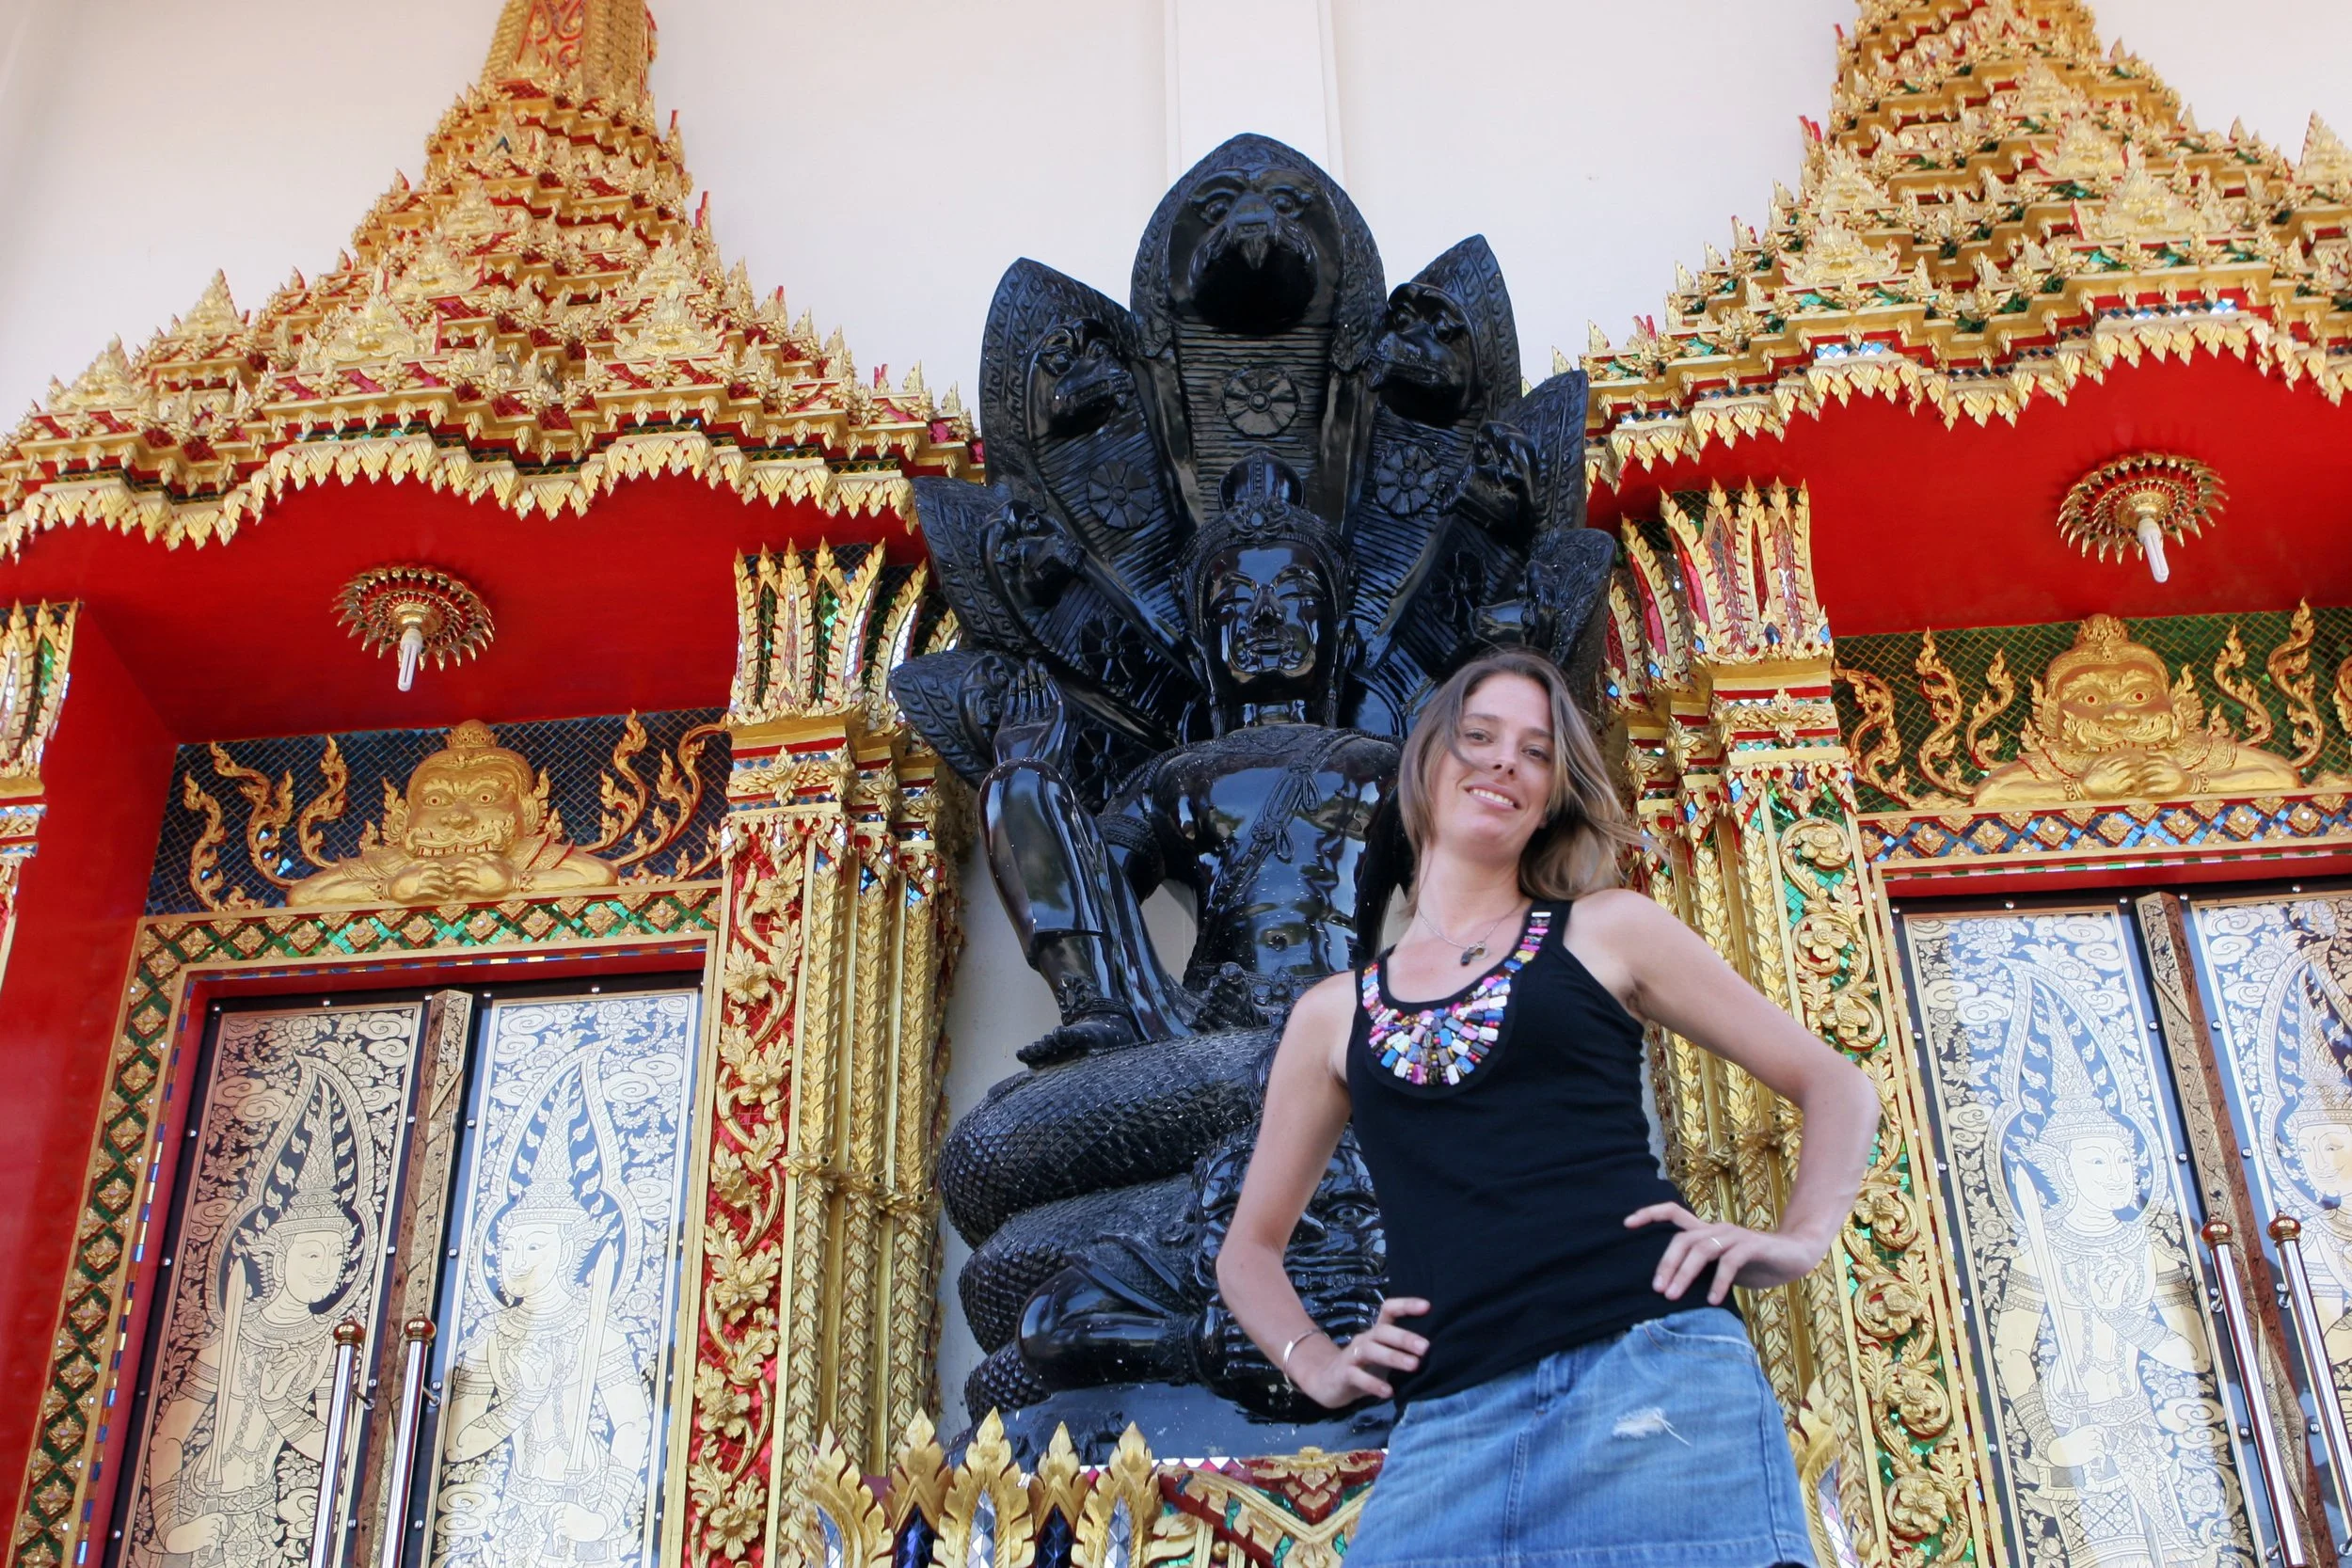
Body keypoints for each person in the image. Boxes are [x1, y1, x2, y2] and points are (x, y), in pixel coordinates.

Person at [1216, 646, 1881, 1566]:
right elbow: (1248, 1248)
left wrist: (1799, 1237)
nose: (1502, 762)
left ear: (1553, 789)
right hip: (1446, 1421)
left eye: (1533, 750)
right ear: (1426, 763)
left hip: (1652, 1373)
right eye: (1478, 735)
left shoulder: (1609, 928)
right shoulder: (1332, 1013)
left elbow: (1837, 1083)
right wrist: (1314, 1360)